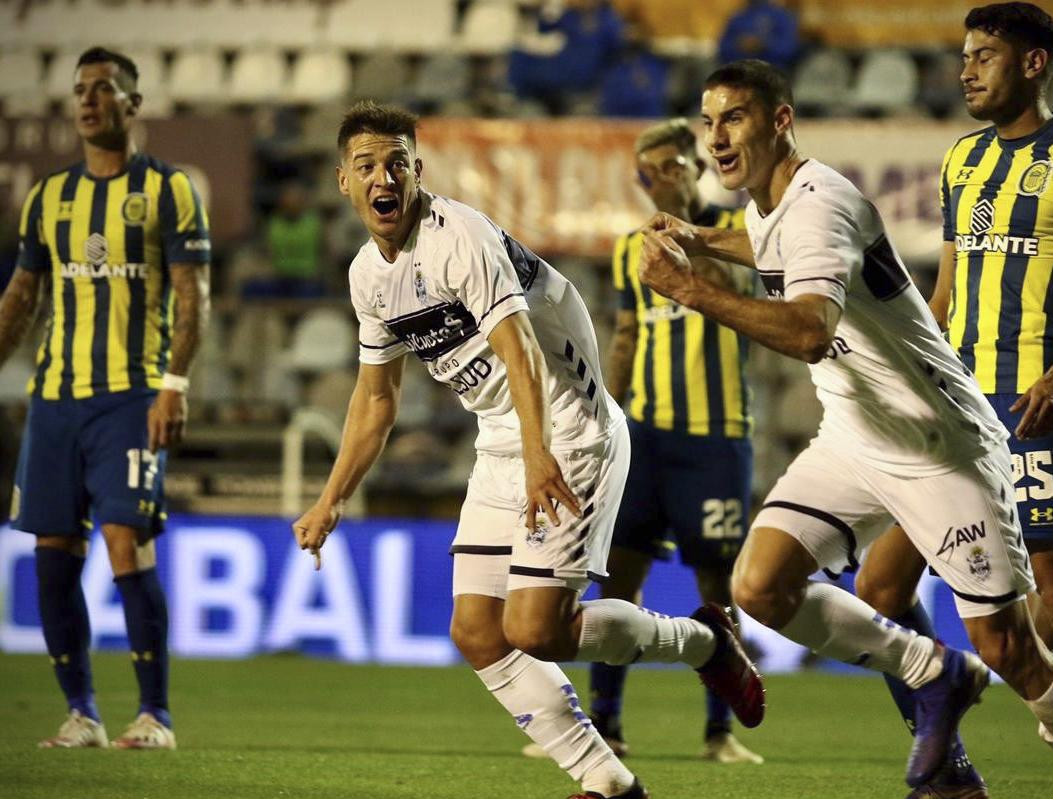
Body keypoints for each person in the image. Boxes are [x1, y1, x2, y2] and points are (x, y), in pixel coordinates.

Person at [292, 100, 765, 799]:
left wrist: (541, 452)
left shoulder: (462, 238)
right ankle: (607, 780)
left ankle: (704, 642)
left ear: (417, 171)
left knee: (536, 629)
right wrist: (330, 498)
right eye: (366, 165)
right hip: (502, 441)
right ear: (343, 181)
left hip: (568, 428)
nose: (382, 176)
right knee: (478, 630)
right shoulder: (369, 275)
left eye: (396, 161)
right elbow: (376, 399)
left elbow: (517, 353)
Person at [637, 58, 1053, 792]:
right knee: (761, 585)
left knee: (1010, 649)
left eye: (733, 117)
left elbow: (806, 331)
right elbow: (767, 244)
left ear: (780, 120)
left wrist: (690, 289)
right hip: (856, 435)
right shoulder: (770, 203)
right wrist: (703, 240)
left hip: (936, 442)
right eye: (708, 121)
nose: (716, 136)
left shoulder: (819, 204)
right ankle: (930, 670)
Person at [851, 2, 1053, 783]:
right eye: (963, 55)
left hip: (1033, 404)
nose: (965, 68)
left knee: (1036, 614)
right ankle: (947, 755)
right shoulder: (961, 159)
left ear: (1032, 64)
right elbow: (943, 289)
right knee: (878, 585)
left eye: (985, 56)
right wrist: (906, 368)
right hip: (954, 405)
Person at [524, 118, 761, 765]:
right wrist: (605, 418)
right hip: (645, 438)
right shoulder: (633, 250)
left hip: (716, 438)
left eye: (679, 163)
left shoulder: (732, 236)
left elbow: (765, 307)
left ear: (695, 166)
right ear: (642, 178)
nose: (669, 175)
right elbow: (626, 335)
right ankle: (604, 722)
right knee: (617, 579)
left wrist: (705, 253)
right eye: (656, 168)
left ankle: (719, 730)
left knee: (716, 583)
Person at [0, 46, 210, 749]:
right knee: (54, 553)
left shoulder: (169, 189)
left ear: (132, 104)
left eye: (104, 89)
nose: (89, 100)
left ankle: (156, 714)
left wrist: (173, 384)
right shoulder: (49, 197)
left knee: (126, 542)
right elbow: (21, 298)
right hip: (56, 399)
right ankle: (80, 712)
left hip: (131, 396)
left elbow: (192, 296)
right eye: (80, 90)